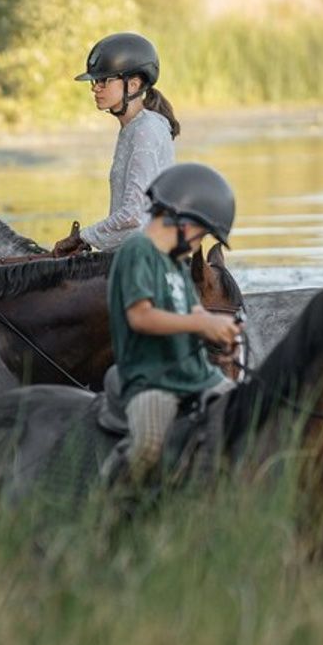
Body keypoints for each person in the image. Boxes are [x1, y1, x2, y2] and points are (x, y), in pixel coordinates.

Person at [103, 161, 241, 483]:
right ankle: (110, 499)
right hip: (152, 378)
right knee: (149, 443)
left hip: (194, 375)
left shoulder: (176, 263)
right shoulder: (138, 251)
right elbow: (140, 316)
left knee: (243, 414)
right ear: (186, 223)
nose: (197, 245)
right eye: (202, 235)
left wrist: (221, 327)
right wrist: (201, 326)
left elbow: (194, 312)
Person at [52, 31, 180, 257]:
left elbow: (133, 216)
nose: (95, 88)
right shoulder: (132, 128)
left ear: (133, 84)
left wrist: (83, 237)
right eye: (94, 81)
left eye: (103, 80)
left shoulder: (146, 130)